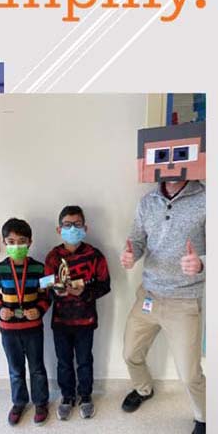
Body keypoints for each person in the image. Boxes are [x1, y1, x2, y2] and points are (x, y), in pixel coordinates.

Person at [121, 179, 206, 434]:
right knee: (130, 354)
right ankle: (143, 389)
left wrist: (202, 263)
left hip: (184, 300)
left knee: (190, 375)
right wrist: (131, 254)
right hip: (149, 295)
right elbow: (136, 240)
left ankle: (205, 417)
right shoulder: (148, 201)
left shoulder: (207, 198)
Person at [44, 206, 110, 421]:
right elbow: (45, 286)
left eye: (77, 224)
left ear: (85, 227)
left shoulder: (94, 255)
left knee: (84, 361)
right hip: (61, 321)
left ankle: (86, 396)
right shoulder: (53, 257)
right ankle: (66, 396)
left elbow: (105, 285)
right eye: (67, 225)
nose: (72, 228)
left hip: (86, 320)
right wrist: (56, 291)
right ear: (59, 229)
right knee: (63, 362)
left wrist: (85, 292)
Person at [0, 218, 50, 426]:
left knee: (37, 368)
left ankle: (41, 402)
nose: (17, 246)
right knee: (15, 370)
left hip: (33, 329)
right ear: (6, 243)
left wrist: (40, 310)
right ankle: (19, 402)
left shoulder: (41, 269)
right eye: (11, 241)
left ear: (30, 242)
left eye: (22, 241)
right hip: (8, 330)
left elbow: (47, 296)